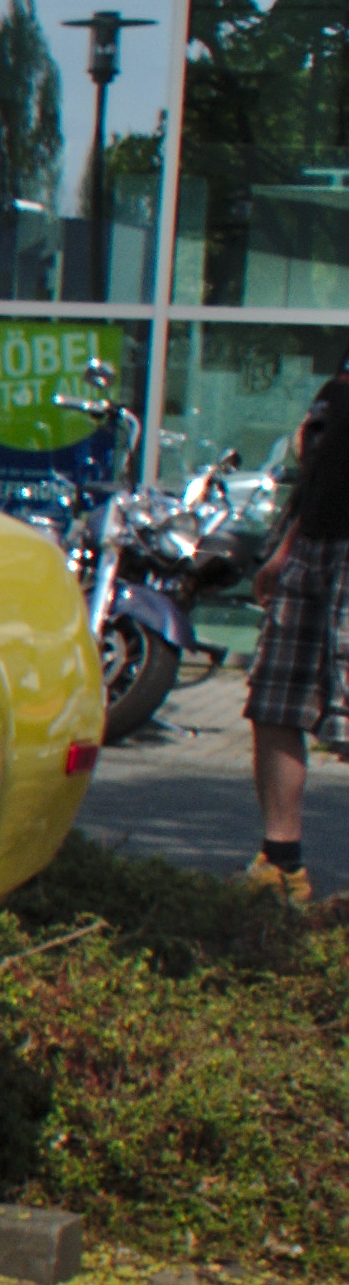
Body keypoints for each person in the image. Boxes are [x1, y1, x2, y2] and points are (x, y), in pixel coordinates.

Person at [244, 363, 349, 898]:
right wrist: (284, 551)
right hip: (312, 547)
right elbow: (317, 467)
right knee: (275, 701)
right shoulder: (340, 384)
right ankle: (281, 864)